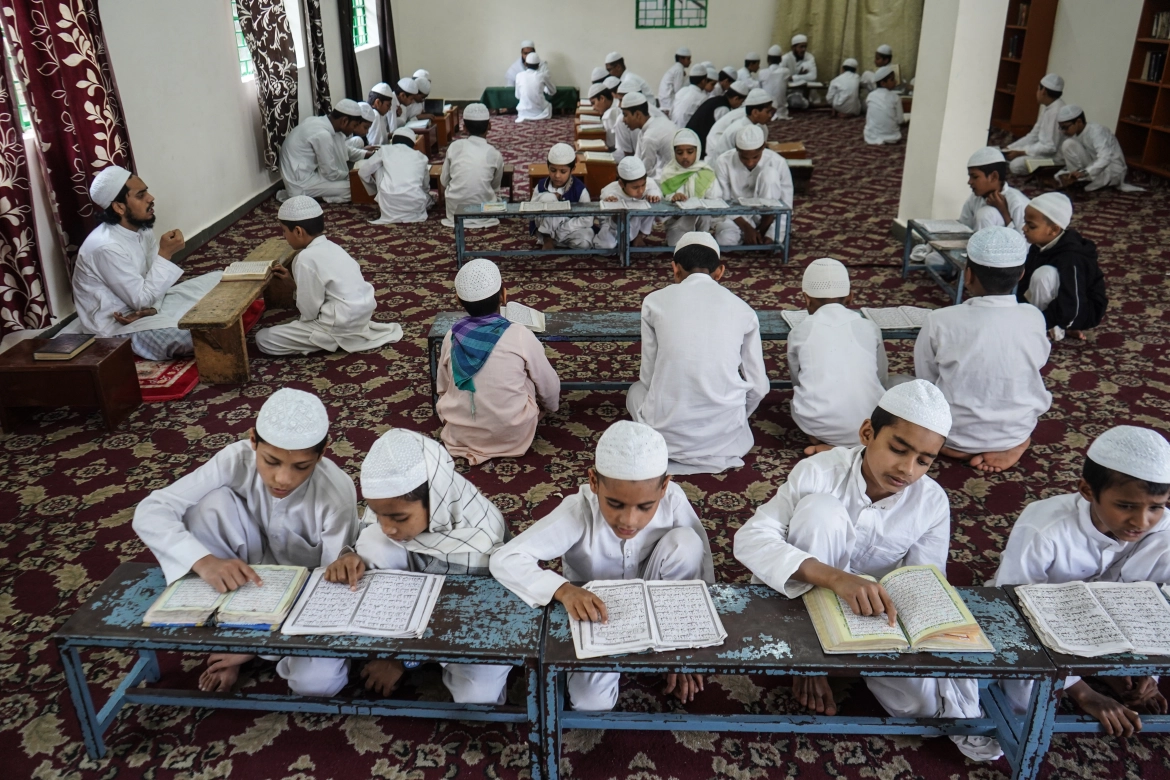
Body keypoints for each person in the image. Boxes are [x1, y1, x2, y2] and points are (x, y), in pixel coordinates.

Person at [734, 380, 1003, 763]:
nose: (907, 469)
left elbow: (924, 581)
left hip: (872, 615)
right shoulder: (819, 471)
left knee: (922, 708)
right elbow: (750, 539)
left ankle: (851, 657)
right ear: (867, 433)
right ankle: (809, 663)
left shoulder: (931, 502)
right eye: (898, 449)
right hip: (800, 601)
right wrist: (835, 578)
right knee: (820, 510)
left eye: (924, 460)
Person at [132, 388, 358, 695]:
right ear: (253, 440)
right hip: (244, 577)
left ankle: (244, 647)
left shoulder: (336, 492)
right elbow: (151, 510)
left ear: (322, 453)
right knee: (209, 507)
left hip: (305, 598)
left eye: (301, 467)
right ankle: (231, 629)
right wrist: (204, 562)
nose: (283, 479)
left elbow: (329, 589)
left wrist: (254, 647)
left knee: (318, 683)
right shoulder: (235, 459)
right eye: (271, 461)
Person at [490, 420, 715, 711]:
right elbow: (506, 558)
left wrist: (686, 646)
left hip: (659, 600)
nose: (629, 521)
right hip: (598, 613)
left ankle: (668, 636)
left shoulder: (673, 500)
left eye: (645, 507)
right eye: (615, 504)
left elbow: (699, 566)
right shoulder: (578, 511)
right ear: (594, 482)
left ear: (664, 487)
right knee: (590, 702)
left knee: (686, 543)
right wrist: (563, 590)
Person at [992, 426, 1170, 737]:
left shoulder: (1163, 533)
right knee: (1021, 687)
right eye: (1126, 506)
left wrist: (1148, 669)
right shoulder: (1044, 527)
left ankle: (1116, 673)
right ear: (1087, 491)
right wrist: (1085, 693)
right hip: (1040, 618)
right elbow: (1013, 608)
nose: (1141, 521)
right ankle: (1090, 678)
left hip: (1115, 618)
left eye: (1156, 507)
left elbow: (1158, 607)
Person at [327, 428, 511, 702]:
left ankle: (415, 655)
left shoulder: (481, 538)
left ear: (435, 501)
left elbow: (465, 616)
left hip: (469, 620)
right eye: (378, 513)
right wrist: (349, 555)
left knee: (478, 696)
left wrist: (402, 660)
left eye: (399, 518)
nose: (387, 527)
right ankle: (385, 635)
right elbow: (371, 528)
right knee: (372, 542)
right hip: (417, 603)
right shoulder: (392, 510)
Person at [627, 233, 767, 474]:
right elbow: (759, 387)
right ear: (720, 272)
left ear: (675, 268)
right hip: (724, 436)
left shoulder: (654, 301)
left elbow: (648, 377)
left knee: (635, 391)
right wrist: (732, 416)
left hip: (666, 435)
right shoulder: (744, 310)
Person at [915, 227, 1051, 473]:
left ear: (968, 275)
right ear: (1021, 274)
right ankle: (1015, 444)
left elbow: (926, 380)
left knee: (898, 387)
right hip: (1014, 430)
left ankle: (954, 447)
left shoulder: (940, 320)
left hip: (952, 433)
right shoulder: (1034, 317)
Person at [72, 165, 213, 361]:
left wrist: (152, 309)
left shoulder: (141, 229)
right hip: (119, 326)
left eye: (146, 191)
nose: (151, 198)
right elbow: (143, 298)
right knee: (195, 336)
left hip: (145, 308)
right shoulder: (106, 247)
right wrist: (165, 254)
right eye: (141, 195)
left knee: (221, 278)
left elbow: (153, 286)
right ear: (119, 207)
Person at [435, 258, 560, 463]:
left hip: (460, 434)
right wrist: (551, 408)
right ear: (504, 295)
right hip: (514, 436)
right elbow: (549, 385)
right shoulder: (520, 334)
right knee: (528, 376)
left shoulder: (452, 336)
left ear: (458, 300)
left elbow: (442, 387)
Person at [254, 197, 403, 355]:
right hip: (360, 317)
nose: (284, 236)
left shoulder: (305, 258)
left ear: (298, 231)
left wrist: (300, 295)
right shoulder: (333, 246)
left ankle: (330, 341)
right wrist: (294, 285)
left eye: (284, 230)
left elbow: (309, 312)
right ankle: (333, 339)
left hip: (338, 325)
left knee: (264, 338)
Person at [788, 258, 888, 456]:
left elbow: (796, 380)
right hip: (871, 423)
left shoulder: (800, 332)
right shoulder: (870, 327)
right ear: (850, 297)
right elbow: (881, 376)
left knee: (797, 401)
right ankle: (857, 445)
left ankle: (824, 442)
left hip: (819, 426)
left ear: (806, 298)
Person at [1018, 192, 1107, 342]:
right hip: (1067, 306)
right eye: (1025, 223)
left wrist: (1037, 324)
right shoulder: (1039, 245)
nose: (1024, 228)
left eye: (1031, 226)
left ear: (1054, 229)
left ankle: (1050, 329)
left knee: (1043, 275)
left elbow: (1072, 301)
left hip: (1083, 310)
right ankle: (1052, 324)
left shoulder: (1071, 257)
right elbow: (1024, 283)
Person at [713, 124, 794, 247]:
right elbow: (723, 202)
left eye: (755, 157)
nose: (750, 162)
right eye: (744, 158)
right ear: (737, 149)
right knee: (725, 240)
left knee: (770, 174)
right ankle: (752, 237)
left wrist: (770, 234)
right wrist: (746, 228)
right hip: (736, 217)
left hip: (768, 217)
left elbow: (786, 205)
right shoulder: (723, 162)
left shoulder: (778, 162)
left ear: (764, 147)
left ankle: (763, 232)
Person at [278, 99, 370, 202]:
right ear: (344, 121)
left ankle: (319, 194)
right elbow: (330, 174)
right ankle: (314, 198)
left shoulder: (315, 121)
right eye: (355, 125)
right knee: (353, 187)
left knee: (353, 183)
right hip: (300, 183)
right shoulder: (323, 135)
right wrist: (351, 175)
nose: (354, 129)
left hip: (301, 175)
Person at [440, 103, 504, 229]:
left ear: (464, 128)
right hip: (484, 211)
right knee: (500, 201)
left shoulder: (454, 147)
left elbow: (444, 181)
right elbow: (495, 186)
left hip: (456, 211)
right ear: (489, 126)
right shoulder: (494, 154)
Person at [656, 129, 722, 245]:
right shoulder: (668, 173)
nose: (685, 156)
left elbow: (715, 199)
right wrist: (672, 197)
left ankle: (702, 237)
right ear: (673, 152)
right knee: (677, 246)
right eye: (680, 153)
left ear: (697, 151)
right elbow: (661, 203)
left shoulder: (706, 172)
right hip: (678, 222)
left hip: (701, 221)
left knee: (704, 217)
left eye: (690, 152)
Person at [357, 127, 434, 225]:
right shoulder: (421, 157)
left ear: (392, 141)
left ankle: (385, 198)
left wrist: (374, 191)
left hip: (388, 204)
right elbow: (425, 187)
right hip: (415, 205)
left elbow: (363, 172)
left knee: (379, 167)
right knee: (427, 197)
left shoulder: (385, 150)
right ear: (413, 144)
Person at [531, 143, 594, 249]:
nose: (557, 175)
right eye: (553, 170)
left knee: (585, 241)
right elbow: (531, 215)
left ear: (572, 170)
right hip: (544, 229)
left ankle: (556, 241)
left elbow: (587, 219)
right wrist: (548, 199)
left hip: (568, 229)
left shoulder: (580, 190)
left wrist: (563, 229)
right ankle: (547, 239)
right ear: (548, 167)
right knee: (548, 198)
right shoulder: (541, 186)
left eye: (563, 171)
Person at [1055, 105, 1132, 191]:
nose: (1063, 131)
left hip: (1111, 168)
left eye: (1065, 127)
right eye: (1061, 127)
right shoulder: (1074, 133)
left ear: (1079, 122)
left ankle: (1081, 181)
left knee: (1086, 186)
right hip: (1093, 165)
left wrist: (1086, 172)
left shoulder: (1096, 131)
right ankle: (1076, 179)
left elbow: (1105, 157)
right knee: (1067, 144)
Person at [1005, 73, 1066, 176]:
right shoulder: (1049, 107)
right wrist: (1010, 148)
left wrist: (1022, 152)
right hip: (1042, 152)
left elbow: (1050, 147)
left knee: (1015, 165)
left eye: (1038, 89)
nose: (1036, 93)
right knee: (1010, 155)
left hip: (1054, 158)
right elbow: (1033, 136)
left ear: (1043, 91)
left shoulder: (1056, 111)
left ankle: (1051, 173)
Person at [596, 156, 662, 249]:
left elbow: (657, 193)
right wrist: (611, 203)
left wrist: (654, 195)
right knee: (607, 246)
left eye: (643, 185)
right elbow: (606, 215)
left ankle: (639, 236)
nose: (641, 190)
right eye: (635, 187)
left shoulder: (650, 183)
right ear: (621, 184)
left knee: (651, 203)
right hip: (613, 226)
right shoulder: (610, 192)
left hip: (637, 222)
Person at [705, 88, 775, 161]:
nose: (770, 115)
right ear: (755, 112)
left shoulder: (760, 126)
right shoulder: (739, 129)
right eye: (768, 112)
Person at [622, 92, 677, 178]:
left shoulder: (650, 136)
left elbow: (644, 171)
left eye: (625, 115)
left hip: (671, 178)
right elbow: (637, 160)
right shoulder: (656, 122)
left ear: (637, 115)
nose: (623, 120)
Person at [614, 76, 668, 162]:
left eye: (621, 100)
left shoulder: (622, 119)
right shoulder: (654, 112)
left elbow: (628, 155)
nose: (619, 105)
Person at [685, 80, 748, 149]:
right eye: (741, 101)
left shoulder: (716, 99)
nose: (740, 104)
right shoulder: (723, 109)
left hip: (689, 136)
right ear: (736, 99)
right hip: (695, 142)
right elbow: (721, 132)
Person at [863, 66, 905, 145]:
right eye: (892, 80)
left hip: (872, 136)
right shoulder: (896, 97)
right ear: (883, 83)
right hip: (892, 137)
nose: (895, 81)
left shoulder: (870, 96)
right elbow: (900, 120)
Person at [515, 52, 557, 122]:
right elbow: (553, 91)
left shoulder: (519, 76)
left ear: (525, 64)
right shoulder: (542, 76)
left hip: (523, 111)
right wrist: (545, 89)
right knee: (548, 105)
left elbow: (517, 96)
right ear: (538, 65)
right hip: (539, 110)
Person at [781, 34, 818, 109]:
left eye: (805, 47)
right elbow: (781, 76)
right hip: (789, 92)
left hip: (805, 92)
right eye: (801, 47)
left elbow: (813, 76)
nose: (804, 49)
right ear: (793, 48)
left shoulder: (809, 57)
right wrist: (803, 76)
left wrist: (793, 78)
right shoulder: (785, 58)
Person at [671, 63, 711, 129]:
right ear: (703, 81)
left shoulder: (681, 91)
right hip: (688, 131)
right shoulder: (702, 98)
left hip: (673, 128)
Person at [759, 44, 792, 120]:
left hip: (766, 111)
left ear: (768, 59)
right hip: (781, 112)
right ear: (780, 60)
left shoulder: (762, 73)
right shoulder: (786, 72)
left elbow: (760, 88)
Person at [658, 46, 691, 113]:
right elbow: (678, 90)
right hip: (669, 103)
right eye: (688, 59)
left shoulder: (676, 68)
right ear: (681, 59)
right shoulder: (679, 69)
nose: (690, 61)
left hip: (665, 101)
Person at [589, 80, 619, 150]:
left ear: (602, 98)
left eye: (593, 103)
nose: (593, 108)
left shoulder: (611, 113)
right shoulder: (617, 102)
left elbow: (610, 144)